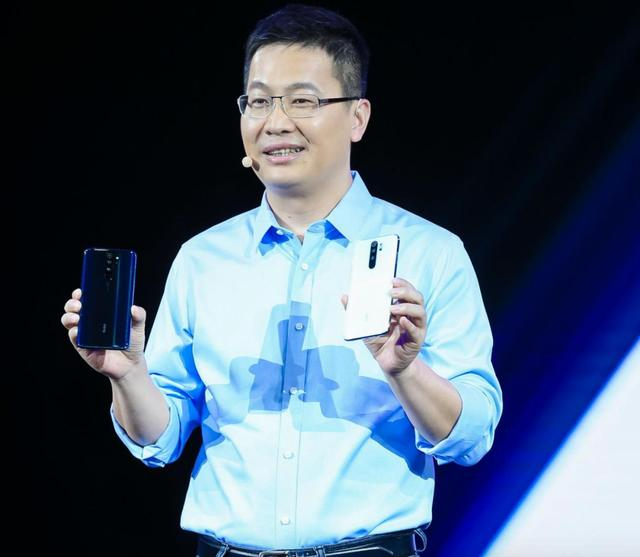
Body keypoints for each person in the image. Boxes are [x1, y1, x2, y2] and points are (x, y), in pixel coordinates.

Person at [61, 4, 502, 556]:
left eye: (303, 101)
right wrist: (128, 375)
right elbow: (160, 439)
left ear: (358, 117)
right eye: (259, 101)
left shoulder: (430, 252)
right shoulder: (203, 258)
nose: (275, 122)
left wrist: (405, 372)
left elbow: (472, 436)